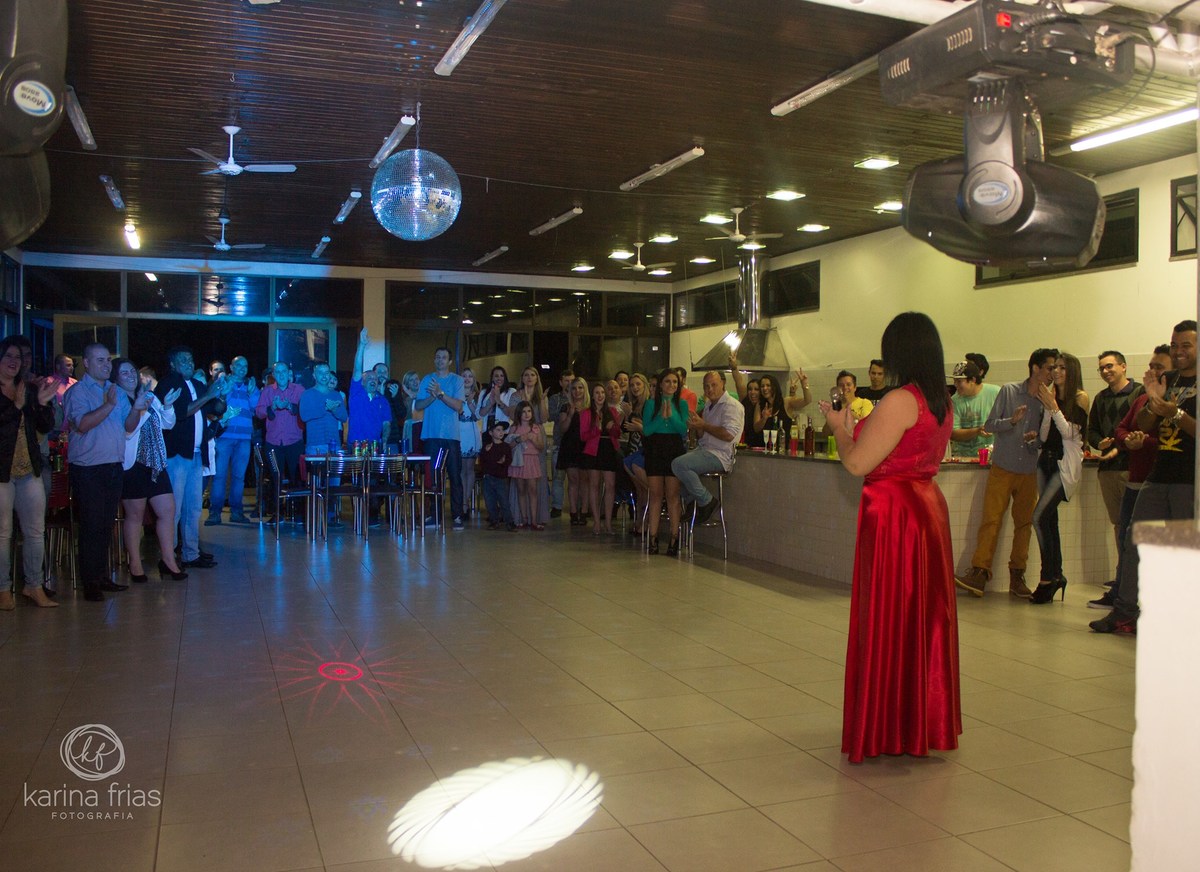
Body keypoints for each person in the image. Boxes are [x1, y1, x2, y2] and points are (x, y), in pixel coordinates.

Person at [819, 311, 959, 765]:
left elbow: (858, 463)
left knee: (889, 616)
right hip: (926, 508)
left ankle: (888, 721)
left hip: (894, 512)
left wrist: (840, 428)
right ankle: (914, 719)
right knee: (920, 619)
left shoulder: (901, 400)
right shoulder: (941, 401)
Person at [1093, 320, 1196, 635]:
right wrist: (1153, 400)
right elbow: (1146, 422)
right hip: (1158, 474)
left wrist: (1175, 413)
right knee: (1133, 541)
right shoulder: (1171, 379)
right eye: (1175, 344)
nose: (1178, 351)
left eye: (1186, 346)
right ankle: (1124, 612)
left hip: (1189, 479)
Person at [955, 348, 1058, 598]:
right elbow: (990, 425)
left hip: (1028, 470)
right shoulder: (1010, 391)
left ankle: (1017, 575)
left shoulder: (1048, 401)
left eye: (1054, 368)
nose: (1053, 373)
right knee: (991, 520)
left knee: (1024, 524)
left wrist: (1036, 441)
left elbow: (1045, 439)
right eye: (1049, 368)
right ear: (1035, 368)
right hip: (1002, 467)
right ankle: (979, 573)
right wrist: (1011, 421)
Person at [1091, 345, 1171, 610]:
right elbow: (1122, 429)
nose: (1152, 371)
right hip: (1134, 477)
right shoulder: (1141, 399)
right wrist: (1127, 441)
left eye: (1159, 367)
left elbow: (1171, 442)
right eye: (1151, 366)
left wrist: (1141, 442)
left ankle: (1146, 600)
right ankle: (1123, 599)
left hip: (1156, 479)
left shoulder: (1169, 400)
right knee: (1126, 537)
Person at [62, 343, 137, 602]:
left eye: (108, 360)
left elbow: (128, 426)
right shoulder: (78, 392)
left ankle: (103, 576)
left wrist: (137, 407)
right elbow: (82, 425)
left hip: (113, 466)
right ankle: (90, 582)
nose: (107, 365)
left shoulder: (114, 391)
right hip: (88, 469)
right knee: (91, 526)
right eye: (101, 360)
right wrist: (107, 405)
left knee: (105, 525)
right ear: (86, 363)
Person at [112, 358, 188, 583]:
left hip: (156, 462)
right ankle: (134, 563)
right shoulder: (116, 399)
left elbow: (168, 424)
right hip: (133, 464)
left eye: (132, 371)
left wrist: (166, 406)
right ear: (116, 377)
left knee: (168, 511)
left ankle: (168, 560)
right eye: (124, 373)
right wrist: (138, 408)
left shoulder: (149, 396)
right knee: (135, 516)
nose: (130, 376)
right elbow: (127, 430)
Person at [0, 337, 58, 609]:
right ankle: (3, 588)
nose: (15, 361)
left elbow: (45, 427)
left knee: (35, 531)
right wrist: (17, 407)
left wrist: (43, 404)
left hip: (29, 468)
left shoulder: (29, 389)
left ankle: (33, 586)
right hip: (2, 471)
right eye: (9, 356)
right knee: (3, 532)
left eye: (19, 357)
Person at [157, 347, 225, 569]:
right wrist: (208, 395)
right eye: (183, 359)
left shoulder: (197, 385)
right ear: (173, 365)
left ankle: (191, 553)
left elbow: (216, 409)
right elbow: (180, 413)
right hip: (177, 454)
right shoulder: (168, 383)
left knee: (193, 508)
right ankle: (169, 557)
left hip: (196, 453)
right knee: (173, 509)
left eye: (191, 358)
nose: (189, 362)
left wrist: (221, 392)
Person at [1030, 353, 1088, 604]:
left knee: (1038, 517)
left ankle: (1047, 577)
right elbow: (1046, 434)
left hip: (1063, 464)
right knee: (1049, 521)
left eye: (1062, 368)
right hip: (1046, 460)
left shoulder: (1080, 398)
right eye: (1054, 368)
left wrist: (1053, 408)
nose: (1057, 372)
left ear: (1072, 371)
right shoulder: (1052, 395)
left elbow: (1069, 434)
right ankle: (1057, 576)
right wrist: (1045, 414)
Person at [1086, 350, 1142, 576]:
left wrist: (1121, 445)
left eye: (1110, 366)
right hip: (1107, 469)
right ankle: (1123, 576)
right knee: (1119, 525)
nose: (1106, 371)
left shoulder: (1139, 393)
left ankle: (1134, 578)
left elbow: (1143, 429)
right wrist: (1099, 443)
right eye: (1102, 368)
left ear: (1124, 366)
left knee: (1134, 527)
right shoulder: (1100, 398)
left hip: (1132, 467)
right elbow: (1092, 431)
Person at [628, 368, 688, 555]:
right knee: (655, 494)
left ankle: (674, 538)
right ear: (661, 385)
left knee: (672, 496)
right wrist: (661, 417)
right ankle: (652, 538)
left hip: (674, 449)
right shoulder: (650, 405)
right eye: (668, 382)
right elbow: (647, 431)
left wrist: (670, 416)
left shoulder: (682, 404)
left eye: (675, 382)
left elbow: (682, 430)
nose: (671, 385)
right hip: (655, 449)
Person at [673, 370, 744, 527]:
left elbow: (728, 435)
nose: (710, 390)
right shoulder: (708, 406)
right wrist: (697, 427)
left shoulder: (732, 406)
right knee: (673, 465)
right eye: (706, 387)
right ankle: (693, 503)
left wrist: (703, 425)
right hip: (705, 449)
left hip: (720, 455)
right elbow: (703, 436)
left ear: (723, 384)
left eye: (713, 385)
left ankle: (706, 501)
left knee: (679, 464)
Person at [414, 347, 466, 529]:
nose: (440, 360)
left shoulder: (457, 380)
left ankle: (458, 515)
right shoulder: (427, 379)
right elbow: (419, 405)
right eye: (437, 357)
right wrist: (433, 396)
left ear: (450, 361)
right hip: (431, 435)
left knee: (454, 475)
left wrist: (441, 394)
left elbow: (458, 406)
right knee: (433, 477)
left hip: (451, 436)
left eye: (444, 357)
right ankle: (435, 515)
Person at [207, 355, 259, 525]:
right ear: (231, 367)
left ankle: (236, 512)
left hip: (244, 438)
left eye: (245, 365)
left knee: (239, 477)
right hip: (224, 437)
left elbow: (257, 409)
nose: (243, 368)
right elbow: (214, 406)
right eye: (239, 365)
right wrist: (225, 393)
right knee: (220, 476)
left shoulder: (250, 385)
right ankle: (215, 513)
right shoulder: (223, 383)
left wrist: (252, 393)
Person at [255, 360, 306, 519]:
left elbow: (305, 411)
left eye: (284, 372)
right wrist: (273, 407)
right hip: (273, 441)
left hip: (294, 441)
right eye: (278, 372)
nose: (282, 375)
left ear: (289, 374)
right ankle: (277, 513)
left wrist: (290, 406)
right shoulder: (268, 391)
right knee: (274, 479)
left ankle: (297, 513)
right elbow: (259, 412)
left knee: (297, 478)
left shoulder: (299, 390)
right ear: (274, 375)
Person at [579, 383, 622, 535]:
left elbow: (618, 434)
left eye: (602, 392)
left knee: (610, 485)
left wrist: (613, 428)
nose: (600, 395)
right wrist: (596, 429)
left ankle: (608, 522)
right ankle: (596, 521)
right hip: (593, 450)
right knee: (594, 485)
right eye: (597, 392)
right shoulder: (586, 413)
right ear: (592, 395)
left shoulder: (611, 411)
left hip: (608, 449)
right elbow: (583, 436)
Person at [348, 329, 391, 447]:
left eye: (375, 379)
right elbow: (357, 368)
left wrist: (385, 439)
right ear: (362, 382)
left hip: (375, 446)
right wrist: (362, 345)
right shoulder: (356, 393)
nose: (373, 380)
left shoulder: (383, 400)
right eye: (369, 378)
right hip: (356, 445)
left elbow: (386, 423)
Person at [507, 400, 546, 530]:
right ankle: (524, 518)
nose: (527, 414)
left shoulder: (535, 427)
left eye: (529, 411)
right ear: (519, 413)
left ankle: (534, 520)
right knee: (521, 489)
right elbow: (509, 446)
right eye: (523, 412)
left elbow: (541, 446)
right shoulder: (514, 428)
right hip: (518, 461)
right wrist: (519, 439)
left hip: (531, 460)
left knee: (533, 490)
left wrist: (533, 438)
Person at [557, 377, 589, 526]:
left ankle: (584, 512)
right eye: (574, 388)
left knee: (584, 480)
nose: (578, 391)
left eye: (580, 388)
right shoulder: (566, 406)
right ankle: (573, 511)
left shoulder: (590, 407)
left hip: (586, 446)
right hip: (570, 445)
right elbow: (562, 429)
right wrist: (570, 415)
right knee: (573, 480)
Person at [950, 361, 996, 459]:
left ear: (973, 380)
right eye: (954, 381)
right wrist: (977, 431)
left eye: (959, 381)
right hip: (963, 457)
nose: (955, 385)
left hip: (992, 456)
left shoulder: (996, 393)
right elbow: (953, 433)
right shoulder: (954, 401)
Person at [300, 361, 348, 454]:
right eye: (320, 373)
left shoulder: (336, 395)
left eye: (326, 373)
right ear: (314, 375)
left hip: (334, 444)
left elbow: (344, 417)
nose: (324, 376)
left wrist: (334, 409)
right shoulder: (307, 394)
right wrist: (325, 408)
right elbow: (304, 416)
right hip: (315, 445)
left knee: (334, 469)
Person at [623, 373, 650, 534]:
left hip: (644, 448)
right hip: (634, 446)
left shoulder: (648, 405)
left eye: (638, 384)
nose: (635, 388)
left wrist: (633, 419)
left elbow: (644, 427)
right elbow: (628, 426)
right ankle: (639, 520)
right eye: (632, 385)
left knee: (645, 489)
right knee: (639, 489)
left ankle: (646, 522)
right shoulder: (634, 405)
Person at [547, 369, 574, 517]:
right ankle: (557, 506)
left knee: (576, 478)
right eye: (566, 381)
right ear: (561, 382)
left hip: (576, 443)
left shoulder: (581, 398)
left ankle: (576, 507)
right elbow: (551, 416)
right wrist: (566, 411)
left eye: (572, 381)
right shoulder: (555, 399)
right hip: (559, 441)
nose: (569, 384)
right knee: (558, 477)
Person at [480, 421, 514, 530]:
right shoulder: (487, 447)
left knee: (504, 501)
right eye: (498, 430)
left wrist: (504, 461)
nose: (501, 432)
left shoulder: (506, 447)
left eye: (502, 430)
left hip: (501, 478)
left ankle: (509, 521)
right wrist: (486, 452)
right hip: (488, 478)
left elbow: (508, 460)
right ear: (491, 432)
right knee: (490, 501)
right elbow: (482, 461)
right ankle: (494, 520)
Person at [458, 368, 483, 518]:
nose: (467, 379)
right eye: (464, 376)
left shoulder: (478, 395)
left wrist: (470, 401)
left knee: (470, 469)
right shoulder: (455, 393)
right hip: (459, 432)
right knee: (461, 469)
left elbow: (479, 415)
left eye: (470, 376)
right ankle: (461, 502)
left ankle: (466, 502)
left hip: (472, 431)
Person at [478, 365, 517, 430]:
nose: (499, 378)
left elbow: (512, 414)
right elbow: (479, 415)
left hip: (504, 431)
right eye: (496, 376)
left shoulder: (511, 392)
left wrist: (499, 401)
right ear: (492, 378)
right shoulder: (484, 392)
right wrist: (490, 404)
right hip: (487, 431)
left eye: (502, 376)